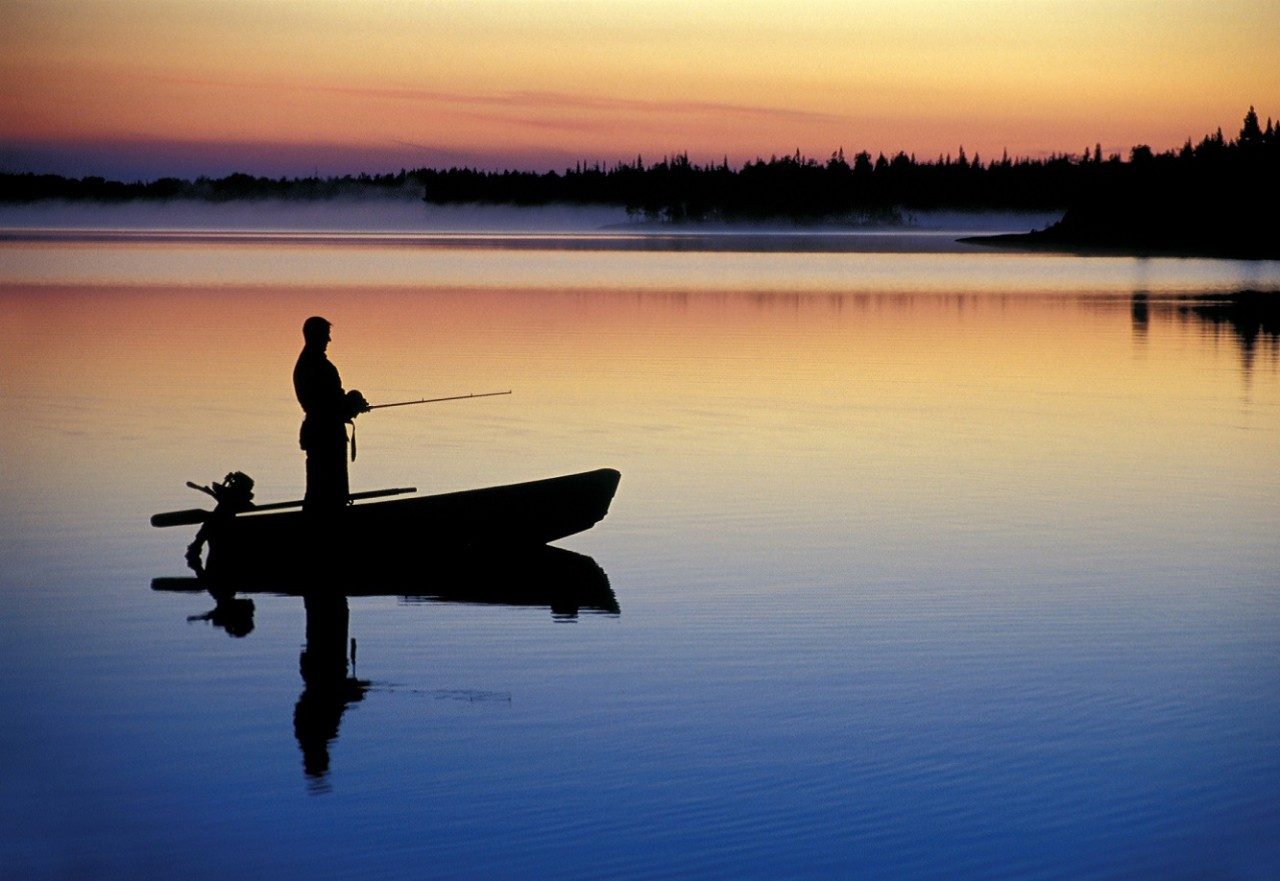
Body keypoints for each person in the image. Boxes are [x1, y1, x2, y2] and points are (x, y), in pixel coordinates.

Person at [293, 316, 368, 513]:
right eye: (326, 335)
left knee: (326, 490)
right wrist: (351, 406)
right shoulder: (314, 365)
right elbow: (326, 404)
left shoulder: (312, 363)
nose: (329, 340)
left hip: (323, 433)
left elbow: (331, 401)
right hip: (324, 435)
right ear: (315, 336)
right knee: (326, 491)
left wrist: (350, 404)